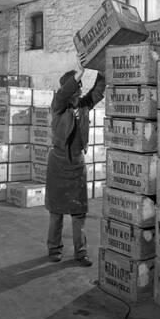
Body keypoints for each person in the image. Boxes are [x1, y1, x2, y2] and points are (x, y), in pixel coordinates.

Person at [45, 53, 106, 266]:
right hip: (58, 164)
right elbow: (62, 95)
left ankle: (81, 253)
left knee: (79, 212)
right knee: (56, 212)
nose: (80, 91)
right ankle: (54, 249)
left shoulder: (83, 106)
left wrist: (102, 67)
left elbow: (97, 92)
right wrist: (79, 74)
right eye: (77, 87)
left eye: (79, 88)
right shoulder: (58, 107)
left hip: (77, 164)